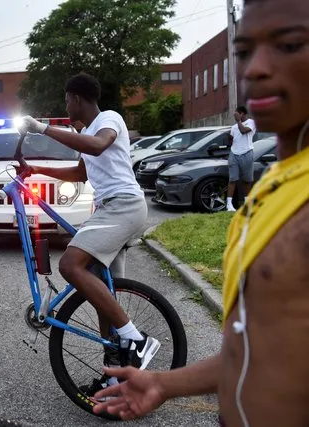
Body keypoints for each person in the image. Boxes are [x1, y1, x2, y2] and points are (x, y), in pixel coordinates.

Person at [91, 1, 309, 425]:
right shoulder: (272, 188)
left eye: (289, 45)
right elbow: (256, 348)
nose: (255, 69)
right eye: (243, 51)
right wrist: (162, 384)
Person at [17, 73, 159, 391]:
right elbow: (81, 171)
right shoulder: (88, 130)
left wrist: (42, 128)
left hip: (122, 207)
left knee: (69, 265)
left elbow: (97, 147)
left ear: (77, 99)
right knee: (102, 297)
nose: (66, 105)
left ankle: (136, 340)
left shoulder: (109, 119)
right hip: (110, 209)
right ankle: (115, 376)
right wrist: (36, 169)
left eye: (67, 99)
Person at [227, 106, 257, 211]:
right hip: (234, 154)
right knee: (232, 179)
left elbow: (244, 131)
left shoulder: (251, 123)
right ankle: (229, 205)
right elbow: (231, 140)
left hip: (247, 153)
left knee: (247, 180)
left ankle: (247, 203)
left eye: (237, 114)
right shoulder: (234, 127)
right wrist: (229, 139)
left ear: (242, 114)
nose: (235, 115)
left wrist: (238, 121)